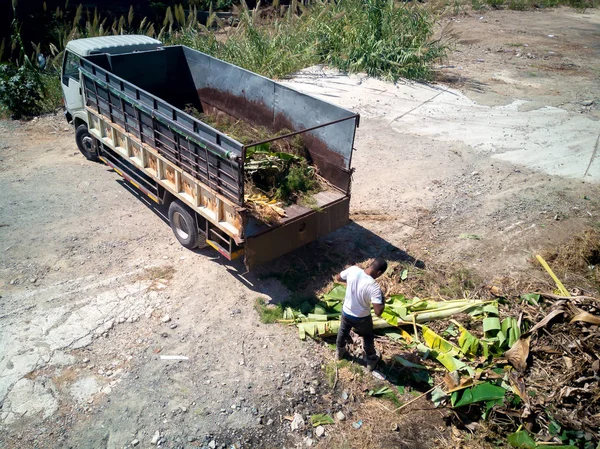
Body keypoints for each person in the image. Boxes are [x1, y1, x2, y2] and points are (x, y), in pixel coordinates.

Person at [334, 258, 387, 371]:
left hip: (346, 312)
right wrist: (383, 299)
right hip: (362, 317)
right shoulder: (374, 287)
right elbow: (378, 312)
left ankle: (339, 352)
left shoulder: (353, 270)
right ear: (379, 273)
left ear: (370, 264)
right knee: (367, 337)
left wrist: (351, 282)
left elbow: (338, 278)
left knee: (343, 331)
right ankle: (371, 360)